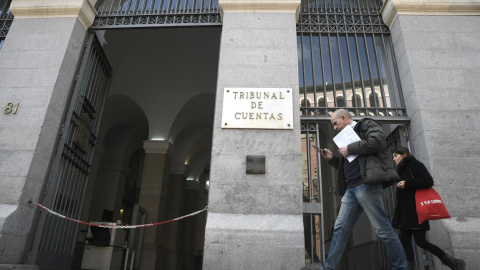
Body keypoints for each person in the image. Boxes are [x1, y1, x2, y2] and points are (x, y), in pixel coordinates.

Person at [317, 109, 407, 270]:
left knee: (382, 230)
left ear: (344, 118)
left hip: (366, 185)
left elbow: (378, 142)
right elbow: (349, 165)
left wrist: (350, 149)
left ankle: (400, 267)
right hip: (351, 189)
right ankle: (327, 268)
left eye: (336, 123)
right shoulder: (345, 138)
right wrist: (332, 159)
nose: (335, 128)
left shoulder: (366, 125)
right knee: (339, 230)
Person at [392, 147, 466, 270]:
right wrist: (397, 214)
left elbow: (428, 181)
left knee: (421, 241)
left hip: (417, 211)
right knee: (404, 242)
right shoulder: (399, 170)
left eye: (396, 155)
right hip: (405, 213)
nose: (394, 159)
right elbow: (400, 197)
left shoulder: (414, 165)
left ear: (404, 155)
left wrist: (407, 183)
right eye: (393, 156)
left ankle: (453, 263)